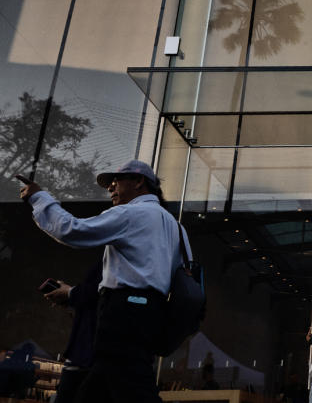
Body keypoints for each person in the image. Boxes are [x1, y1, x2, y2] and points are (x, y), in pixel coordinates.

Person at [18, 159, 189, 403]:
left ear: (139, 182)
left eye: (115, 181)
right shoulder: (175, 227)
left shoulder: (132, 213)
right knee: (99, 389)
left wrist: (39, 198)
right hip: (151, 314)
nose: (109, 188)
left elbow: (72, 230)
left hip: (124, 312)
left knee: (136, 389)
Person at [44, 261, 102, 403]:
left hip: (86, 353)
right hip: (87, 353)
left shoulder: (113, 259)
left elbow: (98, 293)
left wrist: (70, 293)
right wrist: (71, 296)